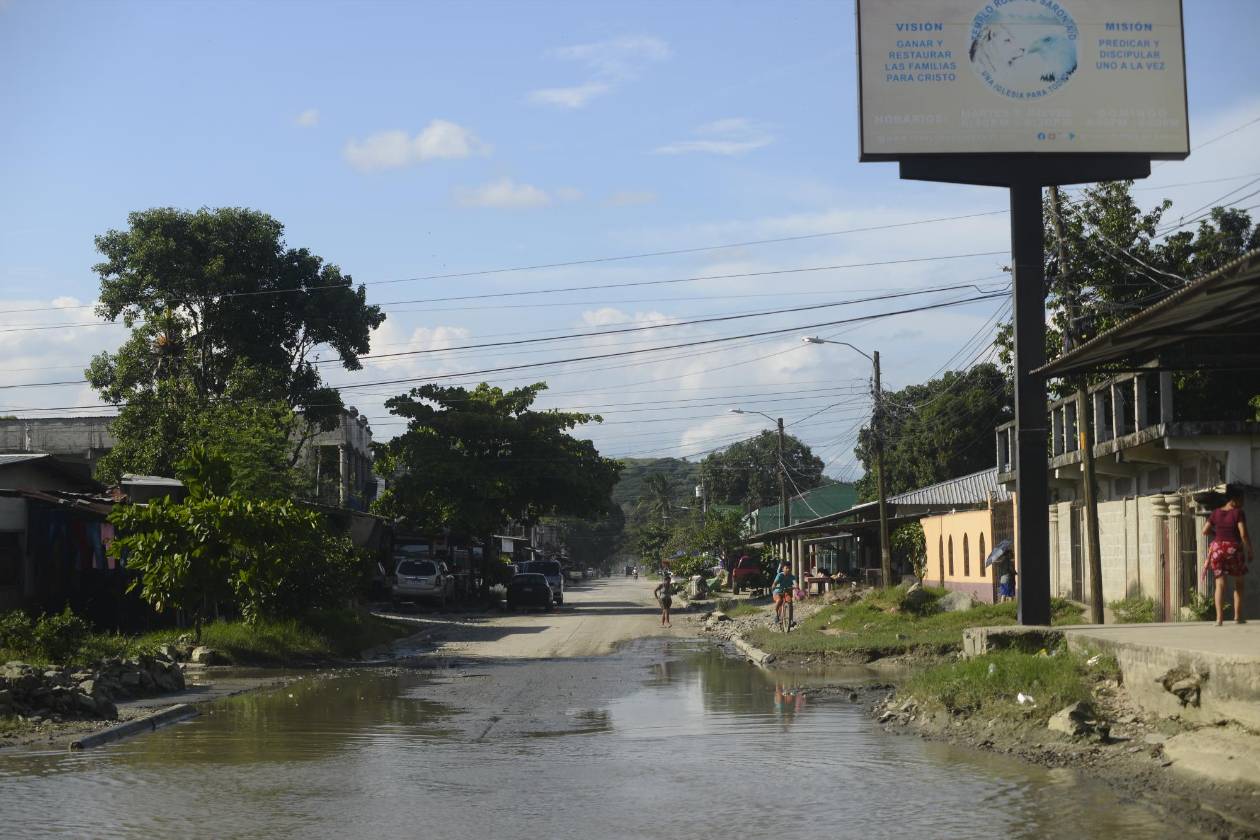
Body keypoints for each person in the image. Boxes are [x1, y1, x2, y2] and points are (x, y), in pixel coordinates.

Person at [1204, 485, 1252, 625]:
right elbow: (1242, 533)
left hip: (1217, 549)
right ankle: (1237, 617)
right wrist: (1249, 549)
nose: (1243, 502)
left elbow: (1205, 530)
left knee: (1220, 584)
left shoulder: (1215, 513)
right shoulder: (1238, 512)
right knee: (1239, 583)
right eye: (1241, 499)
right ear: (1234, 500)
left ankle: (1219, 619)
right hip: (1233, 549)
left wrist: (1217, 536)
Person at [771, 561, 796, 626]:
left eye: (789, 568)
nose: (788, 569)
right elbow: (774, 583)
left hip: (786, 592)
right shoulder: (780, 575)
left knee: (790, 601)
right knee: (779, 600)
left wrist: (796, 586)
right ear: (783, 569)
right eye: (786, 568)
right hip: (778, 592)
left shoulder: (792, 576)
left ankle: (791, 620)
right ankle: (776, 615)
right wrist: (774, 586)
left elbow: (795, 583)